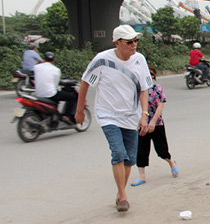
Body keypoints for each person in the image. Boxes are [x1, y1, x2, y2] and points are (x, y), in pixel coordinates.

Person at [75, 25, 152, 213]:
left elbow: (144, 89)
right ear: (117, 43)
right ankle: (124, 196)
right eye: (129, 42)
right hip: (108, 115)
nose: (134, 45)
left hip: (131, 116)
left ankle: (120, 193)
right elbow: (85, 81)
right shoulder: (102, 60)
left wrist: (144, 115)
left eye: (136, 41)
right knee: (118, 153)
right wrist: (80, 110)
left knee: (129, 159)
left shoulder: (139, 60)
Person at [132, 66, 178, 187]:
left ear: (152, 76)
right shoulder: (138, 90)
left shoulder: (157, 89)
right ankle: (142, 176)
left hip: (156, 124)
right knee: (141, 150)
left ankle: (171, 162)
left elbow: (160, 106)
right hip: (142, 124)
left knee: (162, 150)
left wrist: (152, 121)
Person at [33, 51, 78, 124]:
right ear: (53, 60)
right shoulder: (56, 70)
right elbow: (55, 84)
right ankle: (66, 116)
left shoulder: (36, 67)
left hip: (39, 93)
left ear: (44, 59)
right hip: (50, 94)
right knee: (72, 97)